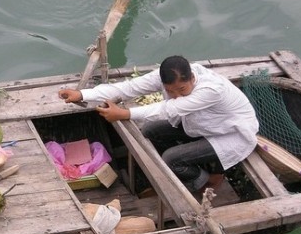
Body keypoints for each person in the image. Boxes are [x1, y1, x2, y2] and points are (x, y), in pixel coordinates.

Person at [58, 55, 259, 194]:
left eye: (182, 89)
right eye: (170, 91)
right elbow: (128, 88)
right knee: (150, 130)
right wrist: (83, 94)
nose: (176, 94)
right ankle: (193, 165)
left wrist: (124, 113)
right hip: (203, 124)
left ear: (191, 77)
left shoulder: (211, 90)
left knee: (171, 158)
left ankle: (208, 179)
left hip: (230, 133)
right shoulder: (164, 77)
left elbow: (168, 109)